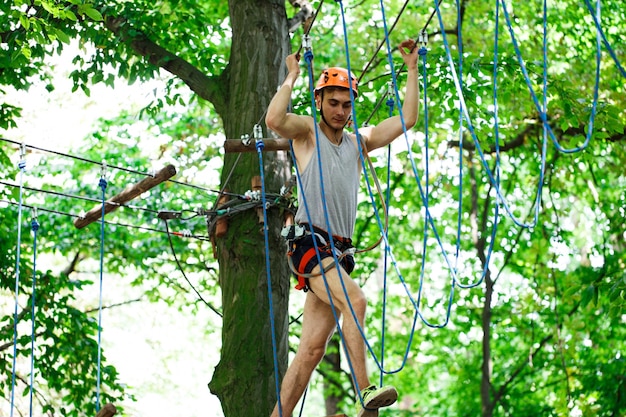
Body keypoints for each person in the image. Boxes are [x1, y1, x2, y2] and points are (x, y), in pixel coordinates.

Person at [265, 39, 419, 417]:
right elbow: (274, 120)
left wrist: (412, 69)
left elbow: (407, 120)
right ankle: (365, 391)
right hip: (309, 244)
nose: (340, 111)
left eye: (347, 104)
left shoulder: (358, 142)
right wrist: (292, 76)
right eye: (332, 102)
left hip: (338, 253)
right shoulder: (306, 134)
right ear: (319, 102)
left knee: (312, 352)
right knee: (356, 301)